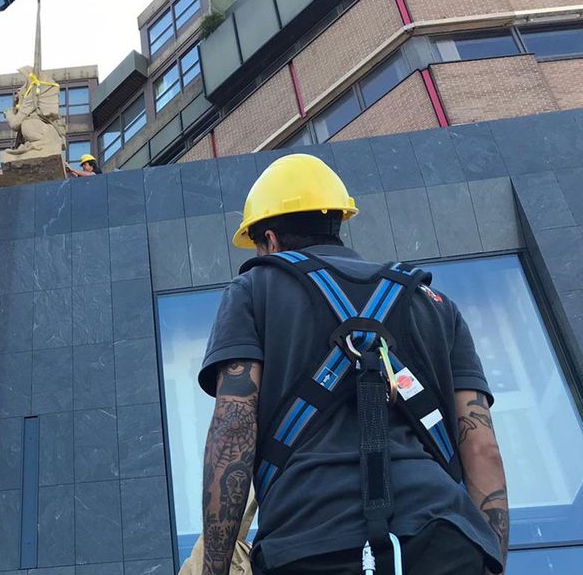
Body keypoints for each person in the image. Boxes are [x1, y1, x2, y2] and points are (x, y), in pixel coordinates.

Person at [198, 154, 507, 575]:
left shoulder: (253, 290)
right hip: (444, 539)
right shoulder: (433, 304)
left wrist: (214, 569)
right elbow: (482, 447)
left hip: (308, 543)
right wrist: (491, 562)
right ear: (337, 222)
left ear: (269, 239)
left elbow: (233, 428)